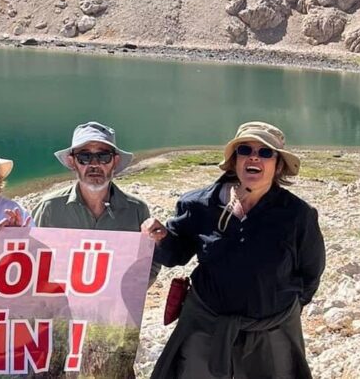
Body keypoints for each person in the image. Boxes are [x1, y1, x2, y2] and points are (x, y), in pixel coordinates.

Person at [142, 121, 326, 379]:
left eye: (265, 152)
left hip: (272, 332)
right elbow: (176, 254)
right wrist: (160, 238)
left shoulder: (297, 215)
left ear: (278, 165)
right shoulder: (199, 204)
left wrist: (280, 310)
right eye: (245, 150)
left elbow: (310, 273)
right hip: (205, 327)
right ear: (234, 159)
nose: (254, 157)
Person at [32, 121, 160, 281]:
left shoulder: (137, 210)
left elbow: (149, 263)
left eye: (103, 156)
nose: (94, 164)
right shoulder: (49, 207)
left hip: (113, 305)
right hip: (59, 305)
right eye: (84, 157)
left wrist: (126, 296)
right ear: (73, 162)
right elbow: (29, 260)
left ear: (115, 161)